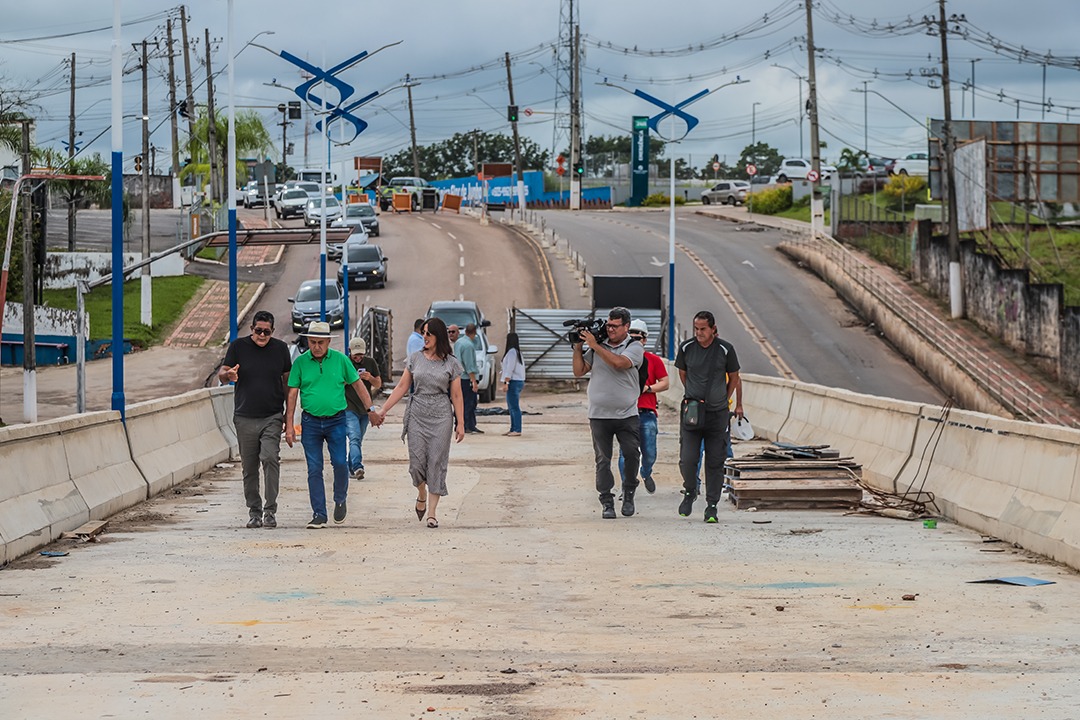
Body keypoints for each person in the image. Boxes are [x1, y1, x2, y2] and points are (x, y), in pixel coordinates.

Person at [284, 321, 383, 529]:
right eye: (312, 342)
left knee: (339, 463)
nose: (316, 346)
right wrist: (290, 425)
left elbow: (358, 385)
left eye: (320, 342)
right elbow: (292, 393)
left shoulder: (341, 360)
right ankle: (319, 513)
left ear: (329, 342)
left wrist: (370, 410)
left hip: (337, 420)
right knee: (314, 468)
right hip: (310, 422)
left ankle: (340, 499)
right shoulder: (301, 363)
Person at [377, 317, 464, 529]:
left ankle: (432, 513)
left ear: (438, 336)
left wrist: (460, 423)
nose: (424, 337)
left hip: (441, 416)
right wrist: (384, 409)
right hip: (417, 413)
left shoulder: (451, 363)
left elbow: (456, 395)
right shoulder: (415, 358)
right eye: (423, 333)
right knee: (417, 464)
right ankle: (421, 492)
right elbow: (401, 387)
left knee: (436, 462)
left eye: (428, 334)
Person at [218, 310, 292, 529]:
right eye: (258, 331)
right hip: (245, 417)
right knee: (249, 468)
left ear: (272, 331)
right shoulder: (238, 347)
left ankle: (270, 511)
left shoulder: (280, 349)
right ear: (251, 329)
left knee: (270, 458)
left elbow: (287, 383)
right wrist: (229, 375)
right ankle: (254, 512)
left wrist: (288, 416)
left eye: (266, 332)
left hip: (272, 416)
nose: (262, 335)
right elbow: (223, 373)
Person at [571, 307, 645, 519]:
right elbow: (579, 371)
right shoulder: (598, 347)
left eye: (615, 326)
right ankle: (606, 500)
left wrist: (594, 345)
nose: (610, 329)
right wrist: (578, 347)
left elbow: (619, 363)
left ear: (626, 327)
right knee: (603, 459)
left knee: (632, 454)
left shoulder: (634, 346)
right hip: (599, 415)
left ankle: (629, 492)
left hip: (627, 415)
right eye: (609, 325)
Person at [675, 310, 743, 524]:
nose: (699, 333)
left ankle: (712, 506)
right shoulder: (686, 348)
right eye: (696, 328)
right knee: (688, 459)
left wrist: (724, 398)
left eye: (703, 329)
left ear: (713, 329)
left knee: (715, 461)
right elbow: (683, 374)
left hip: (717, 414)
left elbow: (734, 377)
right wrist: (694, 394)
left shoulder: (725, 349)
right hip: (693, 412)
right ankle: (690, 490)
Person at [617, 319, 669, 494]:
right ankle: (627, 487)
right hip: (626, 412)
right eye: (631, 338)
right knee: (625, 453)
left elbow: (665, 382)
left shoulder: (653, 360)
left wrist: (648, 388)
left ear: (645, 340)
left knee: (649, 452)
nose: (635, 341)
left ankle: (646, 472)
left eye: (638, 338)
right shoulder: (620, 360)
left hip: (646, 412)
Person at [344, 336, 382, 481]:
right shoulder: (345, 362)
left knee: (358, 439)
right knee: (354, 437)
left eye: (361, 355)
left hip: (365, 408)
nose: (358, 358)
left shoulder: (370, 362)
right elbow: (337, 383)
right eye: (355, 355)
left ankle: (350, 468)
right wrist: (353, 379)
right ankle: (357, 466)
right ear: (349, 351)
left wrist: (369, 378)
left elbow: (378, 384)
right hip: (349, 406)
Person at [450, 324, 482, 433]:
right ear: (474, 333)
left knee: (460, 402)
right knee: (469, 403)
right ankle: (467, 425)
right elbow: (469, 365)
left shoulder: (459, 342)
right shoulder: (468, 345)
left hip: (458, 377)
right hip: (466, 378)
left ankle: (462, 424)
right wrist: (474, 381)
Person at [500, 332, 525, 436]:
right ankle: (513, 428)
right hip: (517, 381)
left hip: (513, 381)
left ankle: (517, 429)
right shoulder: (517, 352)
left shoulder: (512, 353)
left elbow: (510, 368)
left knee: (514, 406)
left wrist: (506, 382)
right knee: (512, 406)